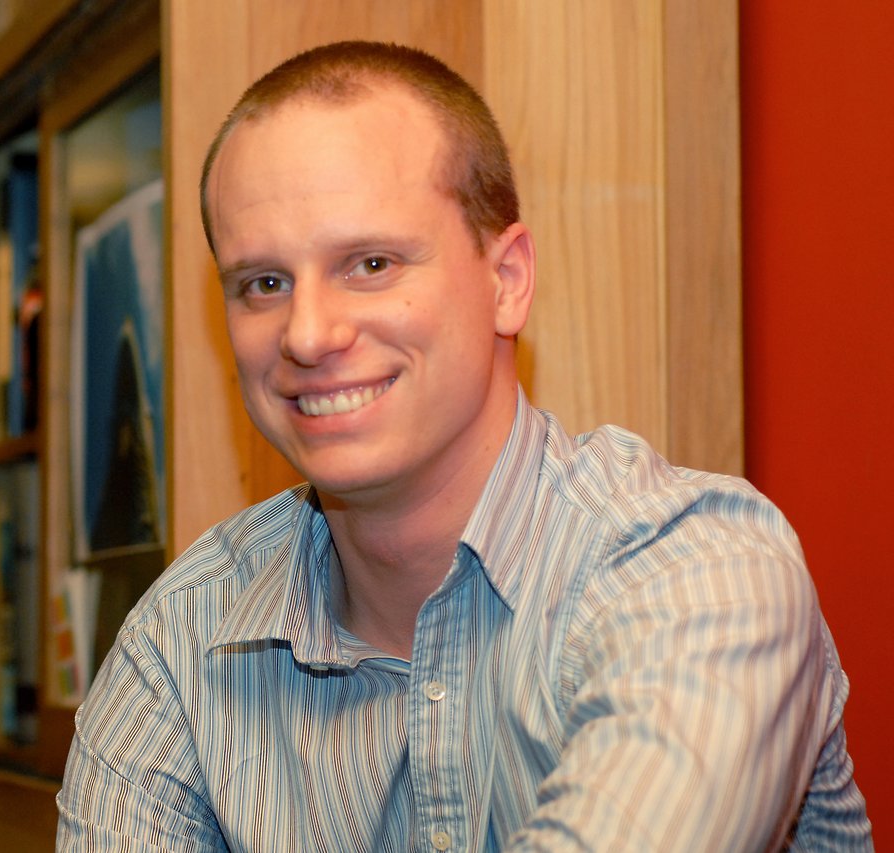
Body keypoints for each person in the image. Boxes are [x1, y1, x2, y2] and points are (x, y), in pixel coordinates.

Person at [57, 41, 871, 850]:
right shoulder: (180, 639)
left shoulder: (696, 569)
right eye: (263, 283)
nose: (307, 333)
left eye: (370, 263)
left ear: (507, 279)